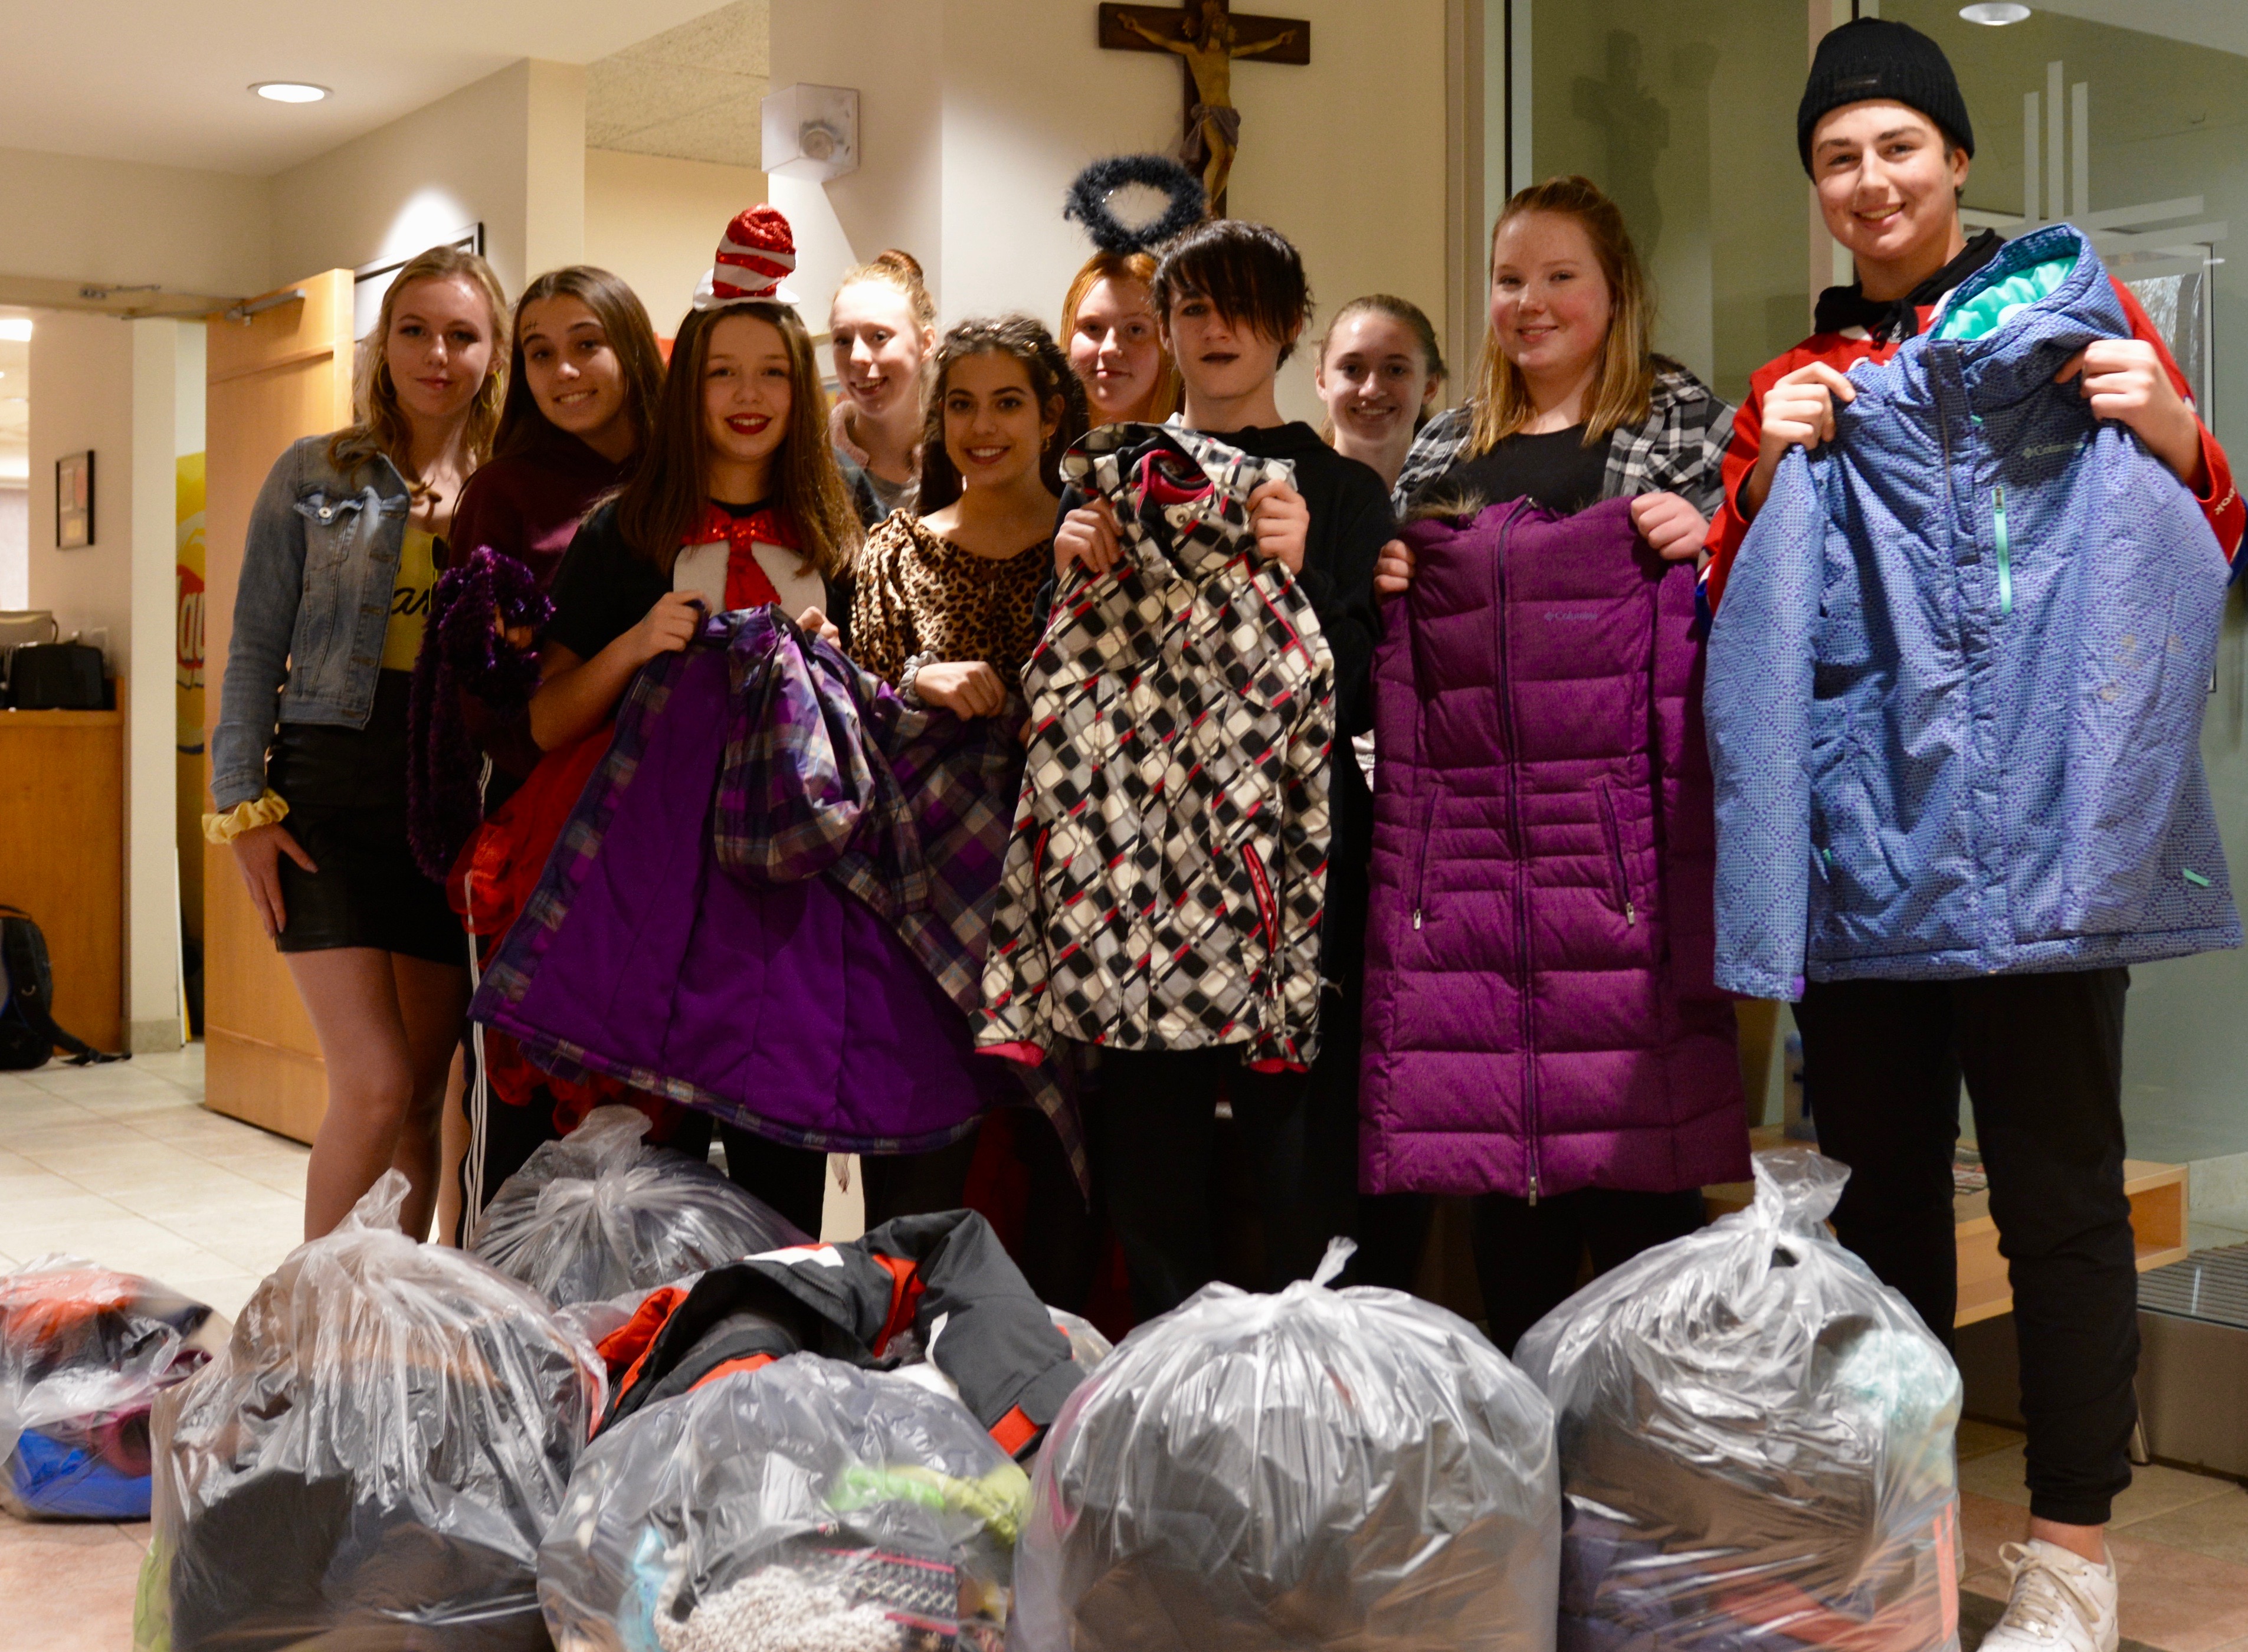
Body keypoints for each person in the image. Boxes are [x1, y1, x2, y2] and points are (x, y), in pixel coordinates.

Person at [1703, 24, 2244, 1652]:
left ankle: (2072, 1555)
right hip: (1869, 865)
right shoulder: (1791, 390)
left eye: (1896, 148)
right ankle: (1909, 1534)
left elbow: (2204, 549)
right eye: (1838, 159)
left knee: (2060, 1202)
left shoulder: (2079, 318)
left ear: (1952, 160)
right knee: (1876, 1228)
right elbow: (1733, 618)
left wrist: (2170, 431)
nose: (1870, 183)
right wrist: (1762, 479)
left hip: (2052, 856)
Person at [1360, 175, 1746, 1348]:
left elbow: (1770, 607)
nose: (1529, 303)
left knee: (1643, 1178)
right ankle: (1541, 1487)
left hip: (1619, 869)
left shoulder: (1688, 428)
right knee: (1504, 1183)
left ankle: (1652, 1478)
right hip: (1470, 873)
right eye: (1509, 278)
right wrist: (1386, 576)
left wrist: (1716, 541)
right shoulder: (1442, 450)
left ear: (1614, 290)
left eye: (1558, 276)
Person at [1054, 217, 1388, 1318]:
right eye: (1192, 308)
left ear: (1290, 328)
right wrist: (1074, 575)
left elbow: (1364, 690)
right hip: (1144, 846)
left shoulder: (1340, 492)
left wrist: (1296, 575)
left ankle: (1308, 1359)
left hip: (1289, 850)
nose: (1213, 329)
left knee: (1295, 1120)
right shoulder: (1113, 474)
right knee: (1150, 1125)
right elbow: (1076, 683)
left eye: (1241, 306)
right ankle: (1166, 1366)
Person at [527, 205, 862, 1235]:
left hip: (792, 904)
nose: (749, 395)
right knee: (646, 1166)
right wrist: (635, 644)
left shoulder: (844, 524)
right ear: (689, 387)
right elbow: (547, 722)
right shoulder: (622, 532)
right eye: (724, 372)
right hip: (650, 888)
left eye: (773, 371)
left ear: (801, 390)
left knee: (782, 1156)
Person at [207, 244, 509, 1241]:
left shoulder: (508, 489)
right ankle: (310, 1332)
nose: (437, 354)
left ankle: (389, 1338)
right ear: (383, 347)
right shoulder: (318, 471)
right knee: (373, 1085)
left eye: (463, 334)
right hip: (325, 795)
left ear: (493, 351)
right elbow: (252, 645)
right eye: (415, 331)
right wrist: (240, 809)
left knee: (424, 1097)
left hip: (449, 803)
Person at [851, 316, 1091, 1271]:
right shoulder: (893, 553)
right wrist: (919, 683)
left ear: (1050, 416)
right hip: (920, 906)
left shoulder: (1092, 543)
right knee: (916, 1168)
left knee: (1060, 1175)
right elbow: (853, 723)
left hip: (1066, 899)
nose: (981, 427)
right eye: (961, 405)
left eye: (1006, 403)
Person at [436, 264, 666, 1233]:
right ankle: (494, 1319)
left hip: (665, 832)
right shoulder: (505, 493)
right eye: (539, 353)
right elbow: (488, 697)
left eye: (586, 343)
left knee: (645, 1099)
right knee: (524, 1086)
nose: (565, 370)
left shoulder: (682, 478)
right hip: (535, 824)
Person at [828, 249, 938, 526]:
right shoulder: (813, 463)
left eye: (878, 337)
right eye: (843, 340)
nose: (856, 357)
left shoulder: (965, 458)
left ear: (926, 343)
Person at [1313, 294, 1446, 493]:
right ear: (1322, 382)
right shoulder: (1289, 494)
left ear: (1430, 387)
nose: (1372, 389)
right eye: (1352, 369)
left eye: (1395, 370)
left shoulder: (1465, 502)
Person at [1060, 249, 1180, 428]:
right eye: (1092, 327)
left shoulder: (1202, 451)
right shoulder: (1032, 447)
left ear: (1168, 341)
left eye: (1135, 330)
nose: (1109, 349)